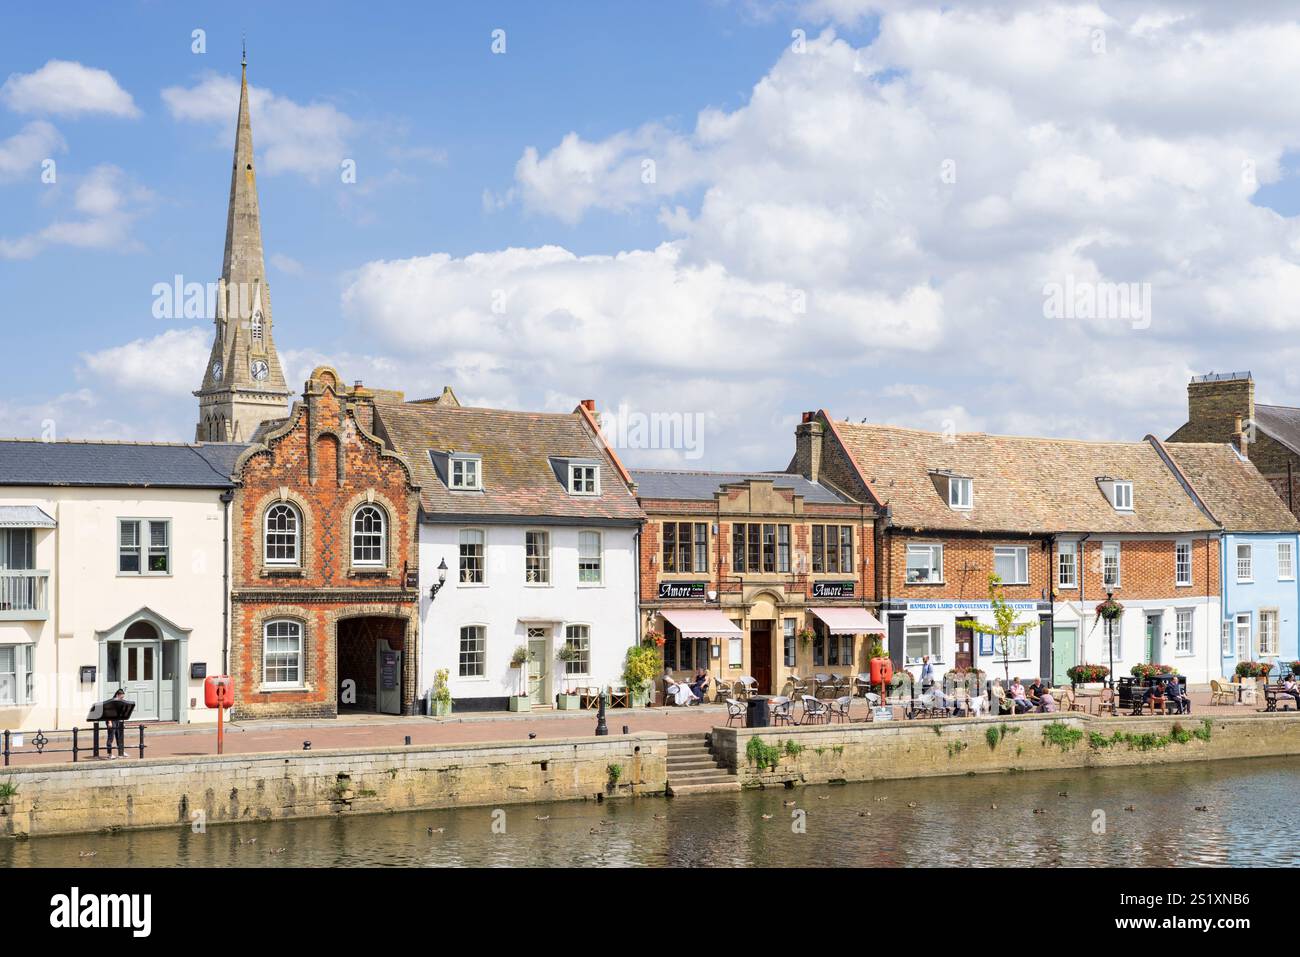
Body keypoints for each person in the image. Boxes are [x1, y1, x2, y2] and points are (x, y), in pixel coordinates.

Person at [108, 687, 127, 757]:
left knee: (119, 737)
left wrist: (123, 723)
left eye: (123, 697)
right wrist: (109, 722)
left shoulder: (120, 702)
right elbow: (108, 713)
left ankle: (121, 752)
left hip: (118, 720)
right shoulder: (112, 702)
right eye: (121, 697)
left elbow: (121, 713)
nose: (122, 699)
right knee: (111, 737)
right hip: (111, 720)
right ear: (117, 695)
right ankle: (109, 754)